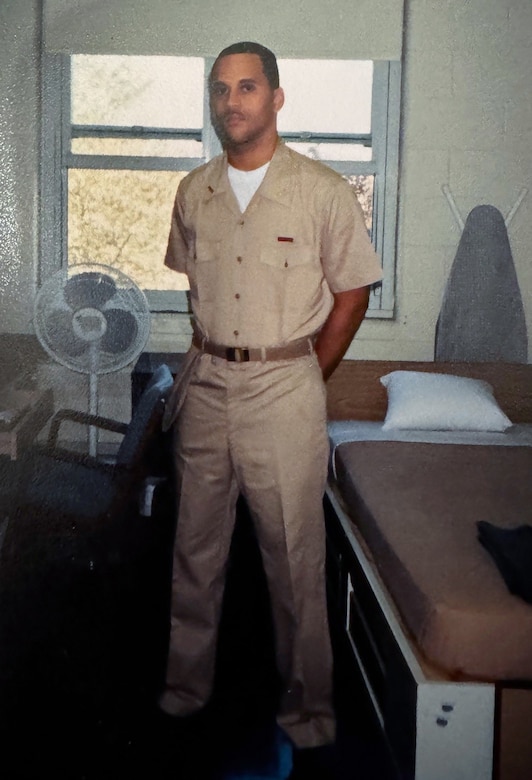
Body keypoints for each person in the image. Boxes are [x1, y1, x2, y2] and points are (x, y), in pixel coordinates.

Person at [158, 40, 383, 766]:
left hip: (284, 387)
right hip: (206, 384)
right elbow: (192, 281)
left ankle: (309, 711)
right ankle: (186, 690)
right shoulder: (196, 191)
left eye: (248, 88)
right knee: (194, 549)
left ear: (276, 98)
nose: (233, 102)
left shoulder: (321, 190)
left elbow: (352, 294)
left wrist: (306, 372)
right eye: (221, 89)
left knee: (293, 559)